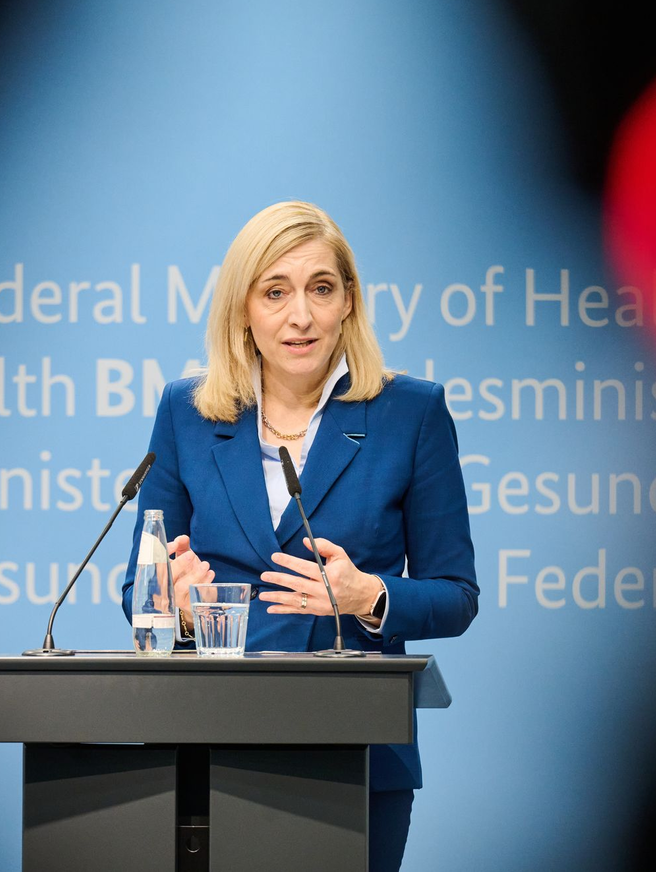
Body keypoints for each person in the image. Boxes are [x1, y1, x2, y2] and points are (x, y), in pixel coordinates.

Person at [121, 200, 479, 871]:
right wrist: (177, 605)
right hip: (210, 745)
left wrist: (369, 596)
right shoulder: (186, 412)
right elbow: (139, 590)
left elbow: (457, 595)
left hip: (358, 757)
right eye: (275, 292)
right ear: (243, 309)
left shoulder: (412, 413)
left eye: (321, 288)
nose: (301, 316)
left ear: (349, 302)